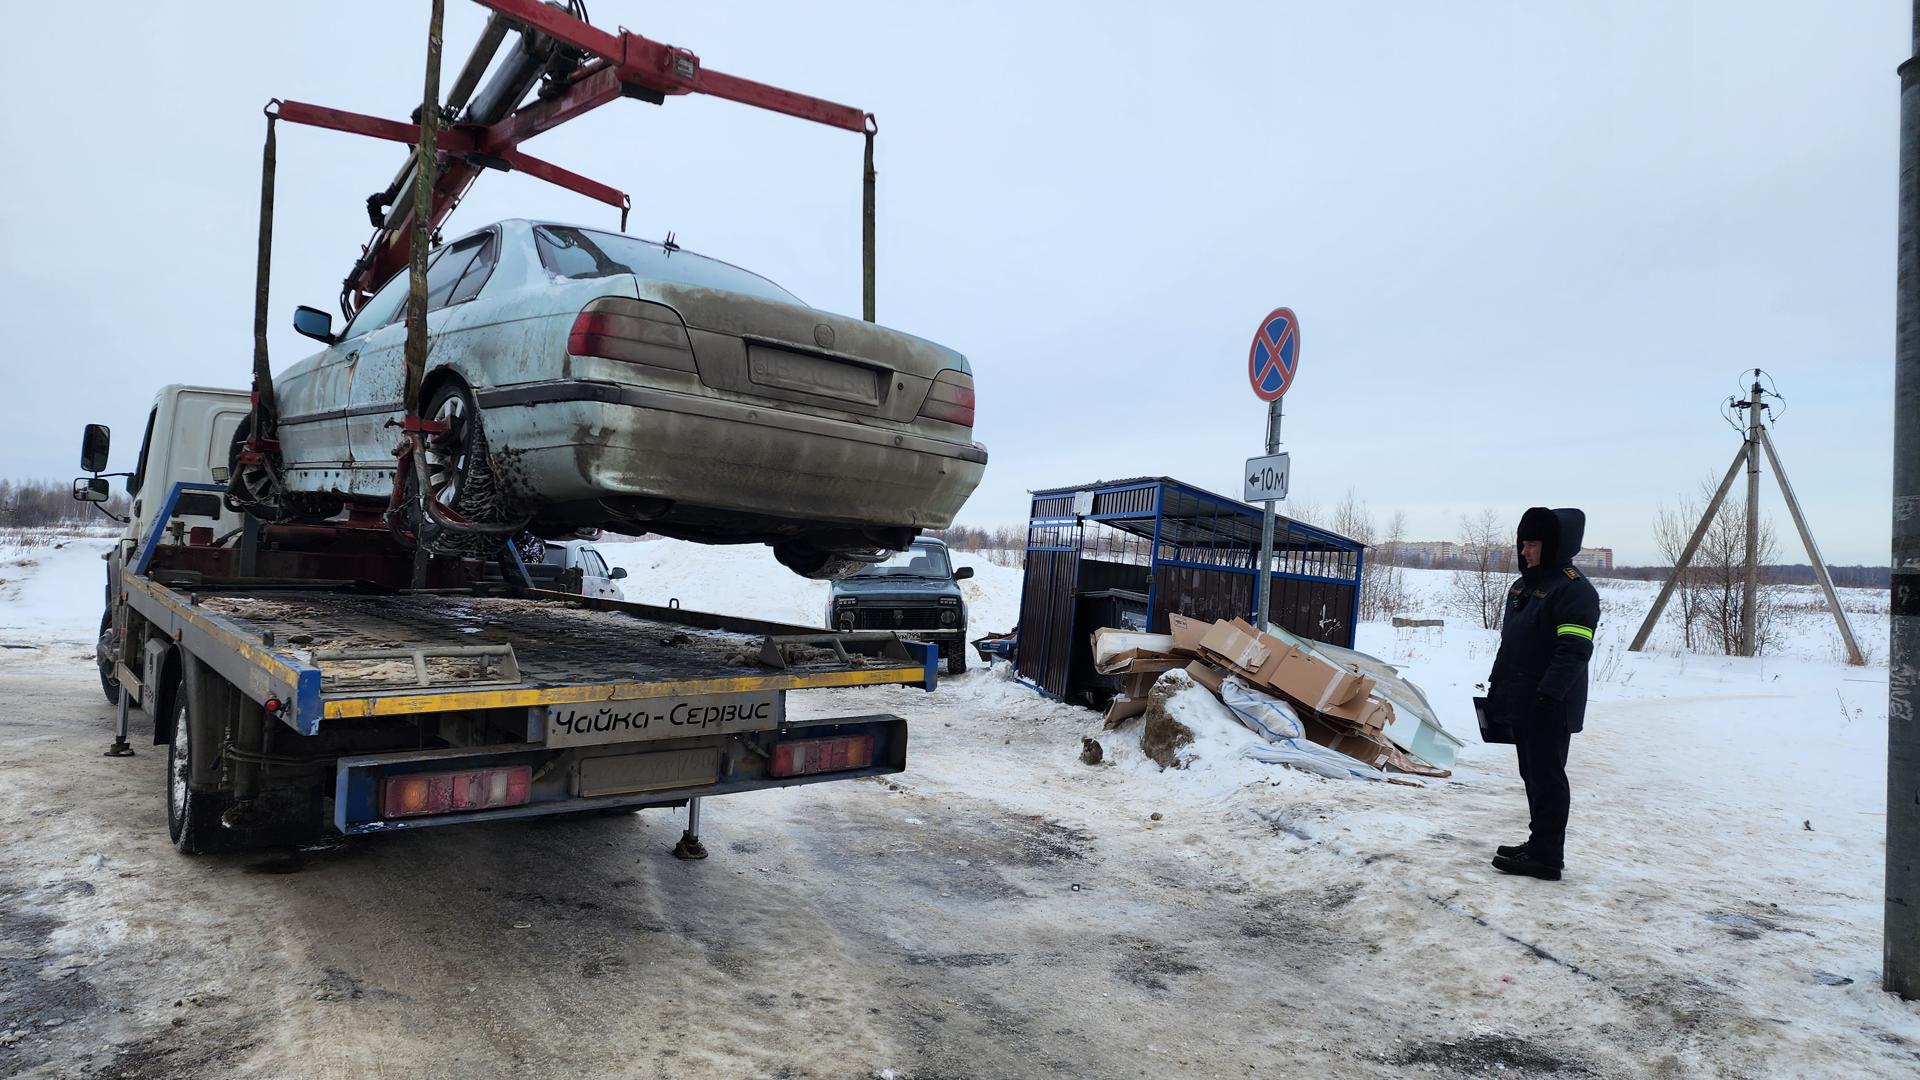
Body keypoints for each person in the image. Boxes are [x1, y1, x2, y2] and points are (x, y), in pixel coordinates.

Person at [1485, 507, 1599, 881]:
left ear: (1553, 545)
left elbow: (1574, 652)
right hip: (1522, 700)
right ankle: (1538, 845)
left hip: (1550, 704)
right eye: (1522, 544)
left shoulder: (1574, 590)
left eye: (1532, 544)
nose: (1525, 551)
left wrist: (1547, 697)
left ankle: (1547, 857)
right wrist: (1497, 684)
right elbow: (1512, 643)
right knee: (1531, 774)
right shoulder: (1526, 586)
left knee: (1548, 777)